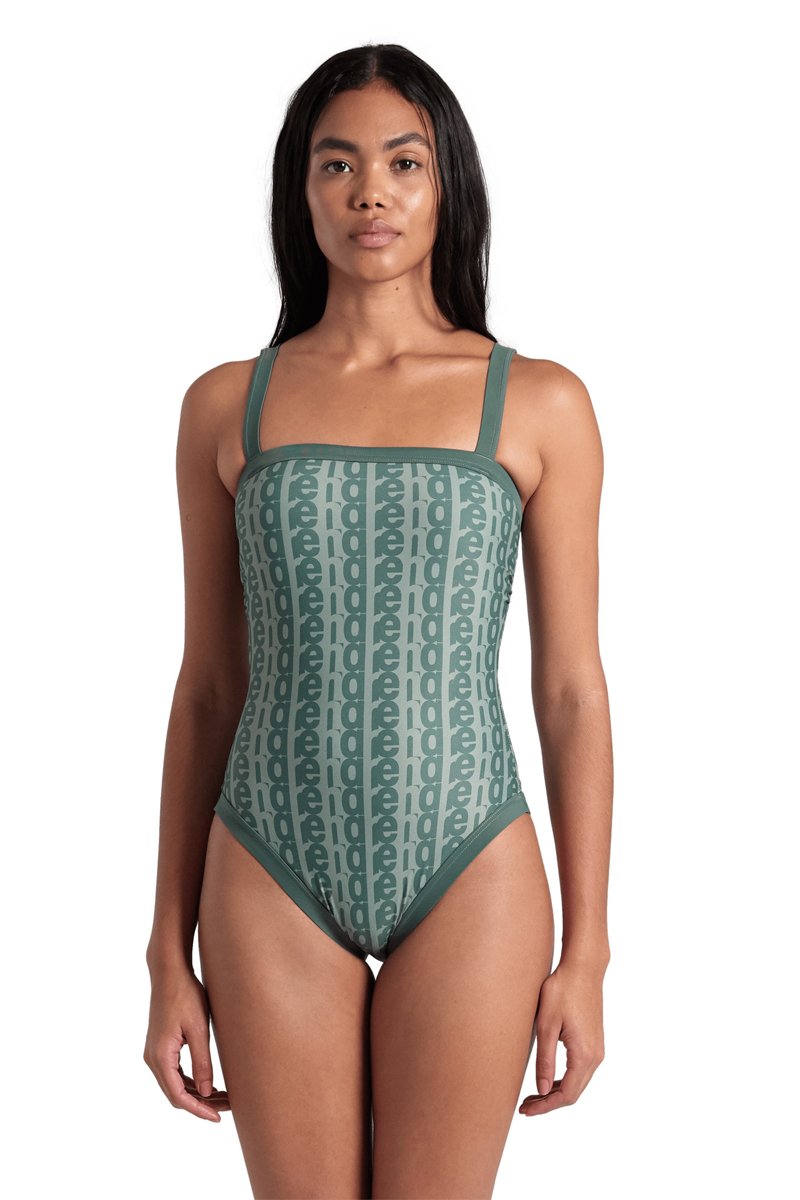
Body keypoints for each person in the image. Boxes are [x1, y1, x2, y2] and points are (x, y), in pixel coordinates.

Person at [144, 42, 612, 1200]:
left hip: (471, 861)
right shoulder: (226, 405)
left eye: (403, 163)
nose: (369, 193)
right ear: (298, 190)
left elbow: (569, 688)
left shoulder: (538, 401)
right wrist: (164, 949)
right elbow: (207, 686)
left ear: (445, 183)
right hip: (266, 860)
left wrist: (589, 950)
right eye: (336, 164)